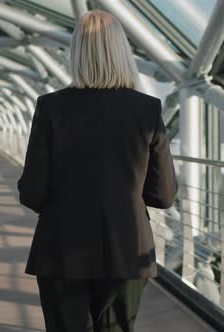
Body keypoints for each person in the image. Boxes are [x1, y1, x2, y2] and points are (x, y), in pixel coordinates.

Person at [18, 10, 177, 332]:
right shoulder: (146, 109)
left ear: (76, 53)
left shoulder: (51, 107)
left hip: (61, 248)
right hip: (128, 248)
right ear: (122, 51)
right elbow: (163, 195)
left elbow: (32, 191)